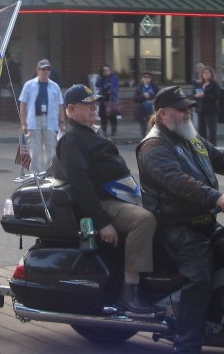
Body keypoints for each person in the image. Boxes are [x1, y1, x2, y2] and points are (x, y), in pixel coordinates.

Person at [136, 86, 224, 354]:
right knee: (198, 276)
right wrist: (217, 198)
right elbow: (177, 181)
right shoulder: (154, 146)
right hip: (176, 227)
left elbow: (221, 158)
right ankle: (186, 348)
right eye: (181, 108)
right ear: (163, 114)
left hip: (203, 222)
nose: (188, 112)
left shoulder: (190, 137)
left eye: (189, 107)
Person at [52, 84, 160, 317]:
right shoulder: (73, 139)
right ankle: (130, 291)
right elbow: (81, 186)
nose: (94, 108)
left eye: (95, 103)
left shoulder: (91, 131)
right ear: (71, 109)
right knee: (144, 220)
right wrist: (102, 222)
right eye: (87, 104)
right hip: (103, 202)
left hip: (120, 196)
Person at [18, 59, 65, 175]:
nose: (45, 71)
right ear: (38, 70)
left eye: (48, 69)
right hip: (34, 121)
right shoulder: (29, 85)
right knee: (35, 149)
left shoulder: (55, 87)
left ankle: (50, 174)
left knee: (51, 150)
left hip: (50, 120)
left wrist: (62, 122)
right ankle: (35, 175)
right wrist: (24, 123)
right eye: (43, 69)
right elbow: (23, 104)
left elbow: (60, 105)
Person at [194, 66, 220, 145]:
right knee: (201, 130)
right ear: (202, 75)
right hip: (201, 109)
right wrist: (196, 96)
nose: (206, 74)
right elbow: (194, 94)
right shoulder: (200, 84)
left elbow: (216, 97)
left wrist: (204, 95)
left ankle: (212, 147)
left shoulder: (214, 84)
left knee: (212, 130)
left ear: (211, 74)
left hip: (211, 110)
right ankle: (203, 146)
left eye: (208, 73)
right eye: (204, 73)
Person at [95, 65, 121, 138]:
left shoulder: (114, 77)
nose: (106, 72)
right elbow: (97, 85)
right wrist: (100, 77)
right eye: (104, 70)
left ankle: (114, 130)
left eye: (107, 70)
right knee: (103, 116)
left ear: (110, 71)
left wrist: (109, 90)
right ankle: (104, 131)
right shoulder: (100, 78)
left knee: (112, 116)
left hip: (111, 100)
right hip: (103, 100)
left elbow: (114, 88)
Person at [133, 72, 159, 137]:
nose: (147, 78)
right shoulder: (139, 88)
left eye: (148, 77)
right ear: (142, 79)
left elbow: (159, 96)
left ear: (150, 79)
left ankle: (153, 138)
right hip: (142, 109)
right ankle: (143, 139)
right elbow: (135, 98)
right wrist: (143, 96)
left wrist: (150, 95)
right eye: (145, 77)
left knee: (153, 124)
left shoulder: (154, 87)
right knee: (143, 125)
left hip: (152, 108)